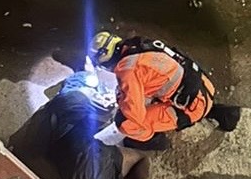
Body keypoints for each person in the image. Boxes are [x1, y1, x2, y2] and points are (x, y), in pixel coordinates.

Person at [90, 30, 241, 152]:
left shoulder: (127, 70)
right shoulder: (137, 45)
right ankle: (221, 113)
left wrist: (121, 98)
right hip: (203, 85)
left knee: (125, 123)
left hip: (191, 106)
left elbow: (135, 115)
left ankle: (156, 141)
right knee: (146, 96)